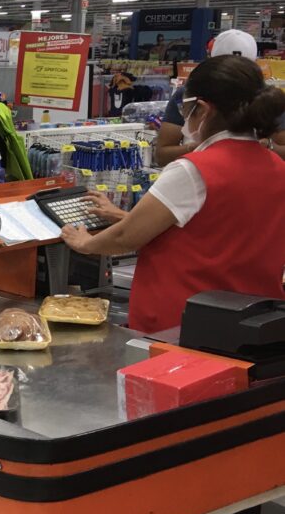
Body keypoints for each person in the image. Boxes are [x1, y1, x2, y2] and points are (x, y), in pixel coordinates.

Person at [62, 55, 285, 334]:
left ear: (202, 109)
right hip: (251, 326)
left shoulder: (193, 170)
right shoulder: (276, 166)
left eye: (185, 109)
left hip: (182, 327)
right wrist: (123, 215)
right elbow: (216, 230)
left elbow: (125, 238)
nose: (183, 120)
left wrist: (84, 243)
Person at [155, 29, 285, 165]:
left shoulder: (265, 97)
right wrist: (198, 149)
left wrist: (267, 147)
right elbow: (162, 154)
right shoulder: (189, 93)